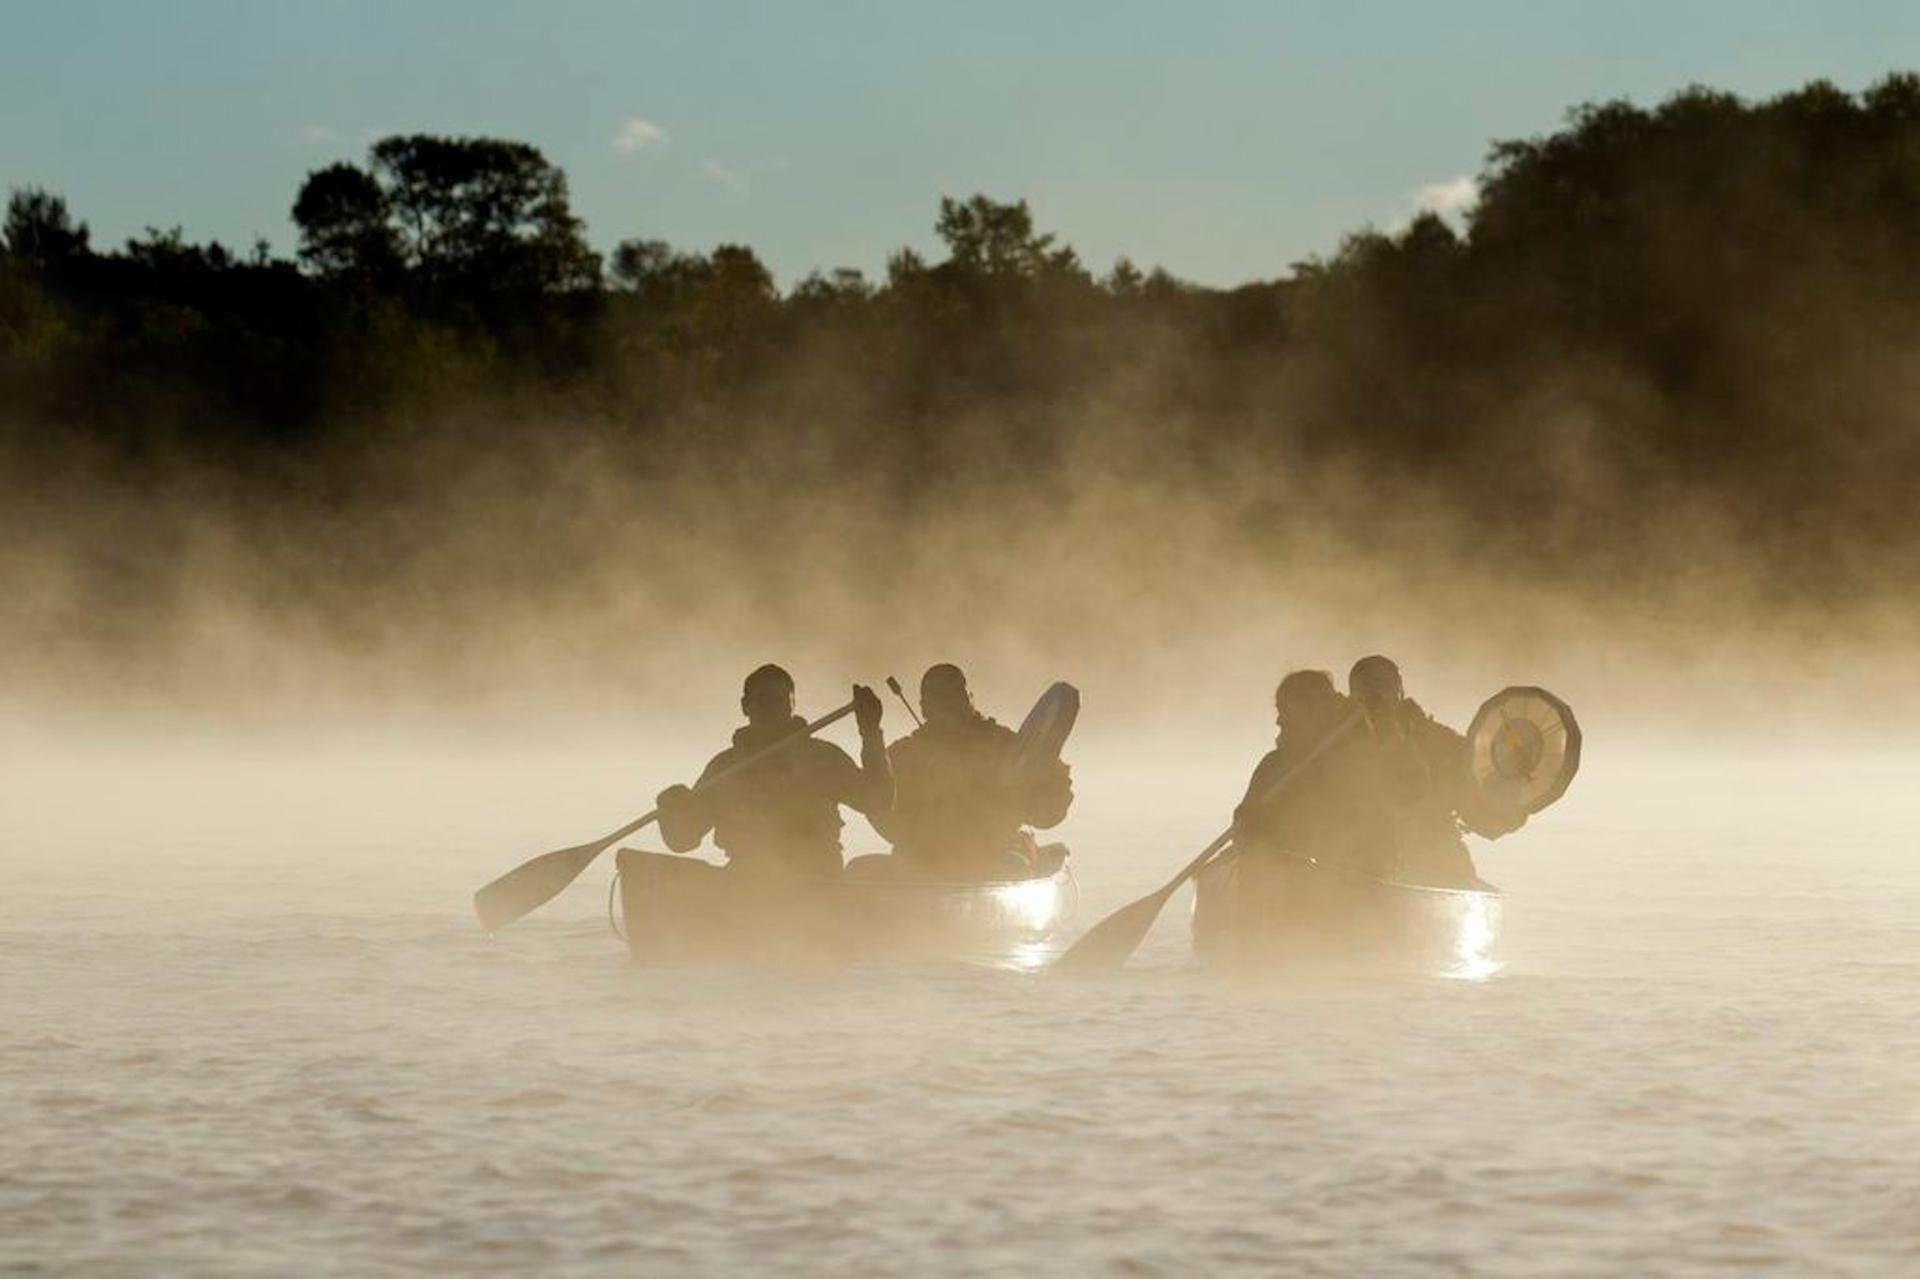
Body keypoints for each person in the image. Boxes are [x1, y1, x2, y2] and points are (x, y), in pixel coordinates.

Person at [655, 665, 891, 878]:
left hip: (817, 882)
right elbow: (683, 840)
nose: (772, 710)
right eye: (763, 701)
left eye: (779, 701)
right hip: (745, 881)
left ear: (792, 705)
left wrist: (870, 732)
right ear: (745, 706)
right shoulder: (725, 767)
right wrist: (670, 809)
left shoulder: (822, 758)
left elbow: (878, 801)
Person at [868, 664, 1072, 880]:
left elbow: (1047, 814)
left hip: (997, 856)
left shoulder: (1004, 746)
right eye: (941, 700)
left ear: (968, 699)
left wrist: (1050, 780)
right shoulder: (902, 756)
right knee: (863, 868)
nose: (948, 708)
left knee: (1013, 863)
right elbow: (876, 807)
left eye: (953, 698)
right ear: (924, 707)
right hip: (923, 863)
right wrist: (919, 841)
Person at [1346, 654, 1480, 887]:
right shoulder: (1338, 745)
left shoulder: (1433, 738)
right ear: (1353, 696)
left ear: (1400, 693)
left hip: (1435, 859)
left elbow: (1480, 788)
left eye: (1384, 687)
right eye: (1369, 689)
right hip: (1368, 862)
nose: (1378, 697)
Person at [1230, 669, 1380, 867]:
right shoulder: (1274, 765)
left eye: (1286, 710)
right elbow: (1243, 827)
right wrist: (1247, 821)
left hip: (1341, 873)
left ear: (1312, 711)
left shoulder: (1356, 761)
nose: (1279, 720)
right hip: (1282, 876)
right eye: (1279, 710)